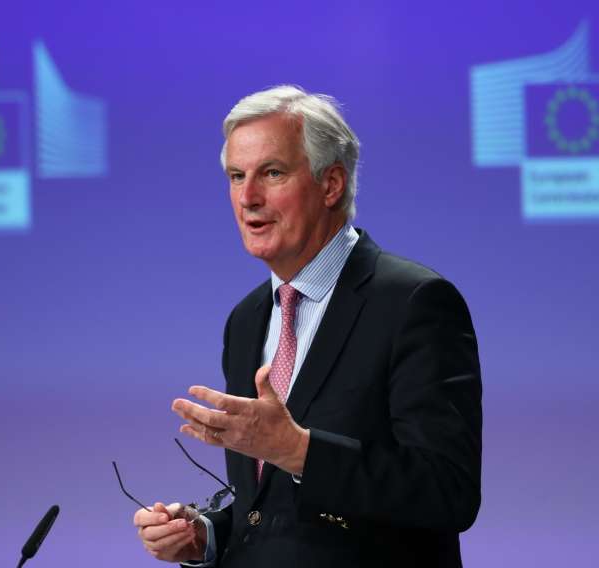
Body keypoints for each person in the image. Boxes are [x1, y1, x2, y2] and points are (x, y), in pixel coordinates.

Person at [133, 85, 482, 567]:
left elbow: (448, 490)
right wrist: (207, 536)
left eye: (271, 173)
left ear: (331, 184)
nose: (248, 197)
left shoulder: (413, 303)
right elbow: (275, 507)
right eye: (237, 176)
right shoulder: (246, 319)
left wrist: (300, 451)